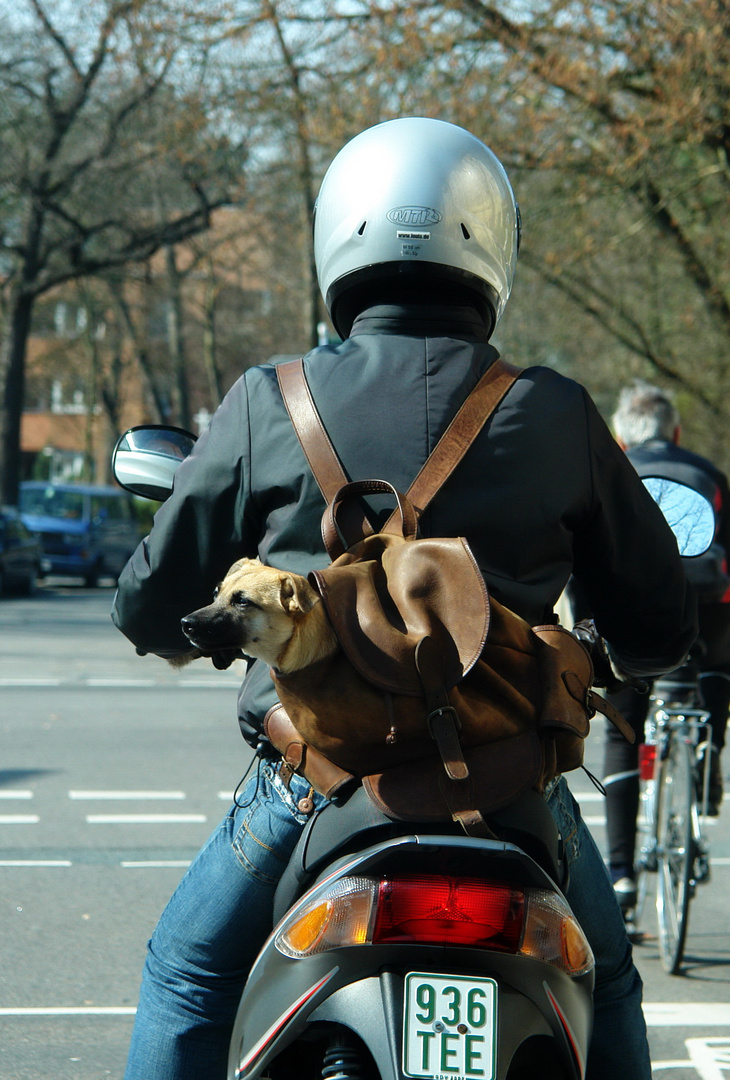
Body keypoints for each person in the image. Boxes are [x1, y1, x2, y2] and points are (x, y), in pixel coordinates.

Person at [112, 118, 697, 1080]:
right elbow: (660, 626)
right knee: (612, 985)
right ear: (490, 242)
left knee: (187, 978)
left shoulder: (268, 399)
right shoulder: (557, 408)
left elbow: (146, 609)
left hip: (315, 786)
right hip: (512, 793)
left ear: (340, 235)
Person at [601, 382, 730, 914]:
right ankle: (708, 759)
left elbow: (588, 556)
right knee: (714, 670)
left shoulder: (610, 471)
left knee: (623, 729)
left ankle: (621, 877)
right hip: (706, 602)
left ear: (620, 437)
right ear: (677, 432)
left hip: (635, 607)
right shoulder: (710, 474)